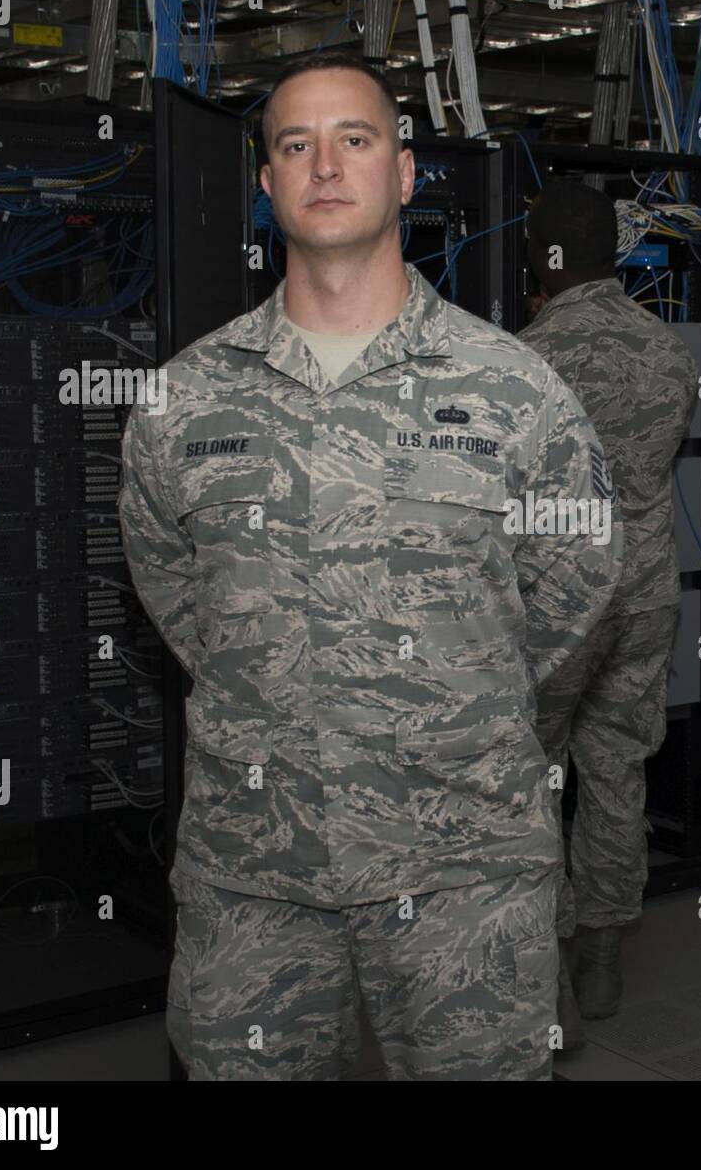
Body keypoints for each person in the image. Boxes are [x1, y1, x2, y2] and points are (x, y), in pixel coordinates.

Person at [118, 55, 621, 1080]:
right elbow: (174, 589)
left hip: (461, 869)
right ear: (266, 185)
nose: (324, 164)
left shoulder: (514, 389)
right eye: (294, 144)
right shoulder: (184, 400)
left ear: (403, 173)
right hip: (255, 872)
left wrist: (456, 720)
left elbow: (574, 600)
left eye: (355, 137)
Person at [517, 181, 697, 1044]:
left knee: (535, 781)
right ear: (614, 253)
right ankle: (601, 953)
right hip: (645, 594)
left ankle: (545, 973)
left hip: (557, 607)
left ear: (539, 257)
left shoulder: (522, 358)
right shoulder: (667, 350)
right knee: (618, 771)